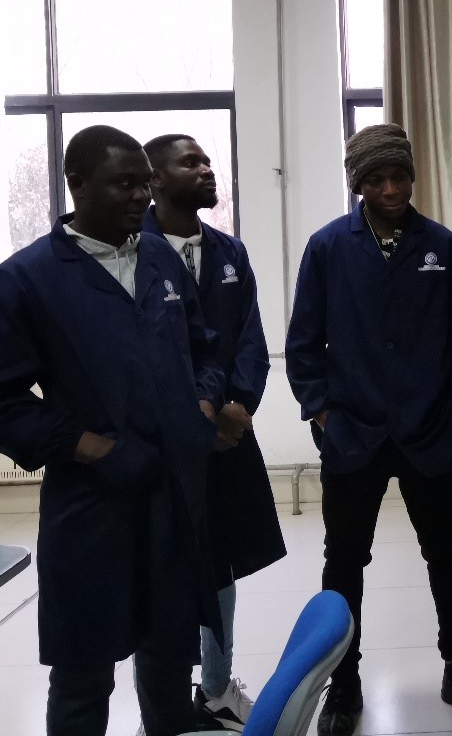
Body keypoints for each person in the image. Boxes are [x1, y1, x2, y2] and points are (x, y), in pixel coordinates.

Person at [0, 125, 251, 736]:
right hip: (92, 510)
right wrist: (87, 447)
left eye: (145, 183)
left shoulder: (159, 260)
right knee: (83, 676)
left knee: (170, 665)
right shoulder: (28, 278)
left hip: (173, 501)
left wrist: (203, 402)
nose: (142, 196)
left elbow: (204, 348)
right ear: (77, 184)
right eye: (124, 184)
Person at [286, 123, 452, 736]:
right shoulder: (328, 247)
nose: (390, 189)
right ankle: (344, 684)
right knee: (343, 562)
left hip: (430, 430)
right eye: (376, 179)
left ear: (412, 176)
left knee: (446, 553)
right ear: (357, 183)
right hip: (352, 433)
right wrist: (322, 412)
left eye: (400, 176)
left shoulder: (440, 245)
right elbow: (303, 342)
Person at [143, 133, 287, 732]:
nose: (206, 169)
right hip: (165, 443)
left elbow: (250, 337)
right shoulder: (136, 252)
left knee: (223, 561)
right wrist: (193, 417)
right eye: (190, 162)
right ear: (154, 179)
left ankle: (218, 688)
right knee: (169, 568)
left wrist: (239, 405)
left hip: (228, 431)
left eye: (207, 160)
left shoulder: (229, 252)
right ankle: (165, 703)